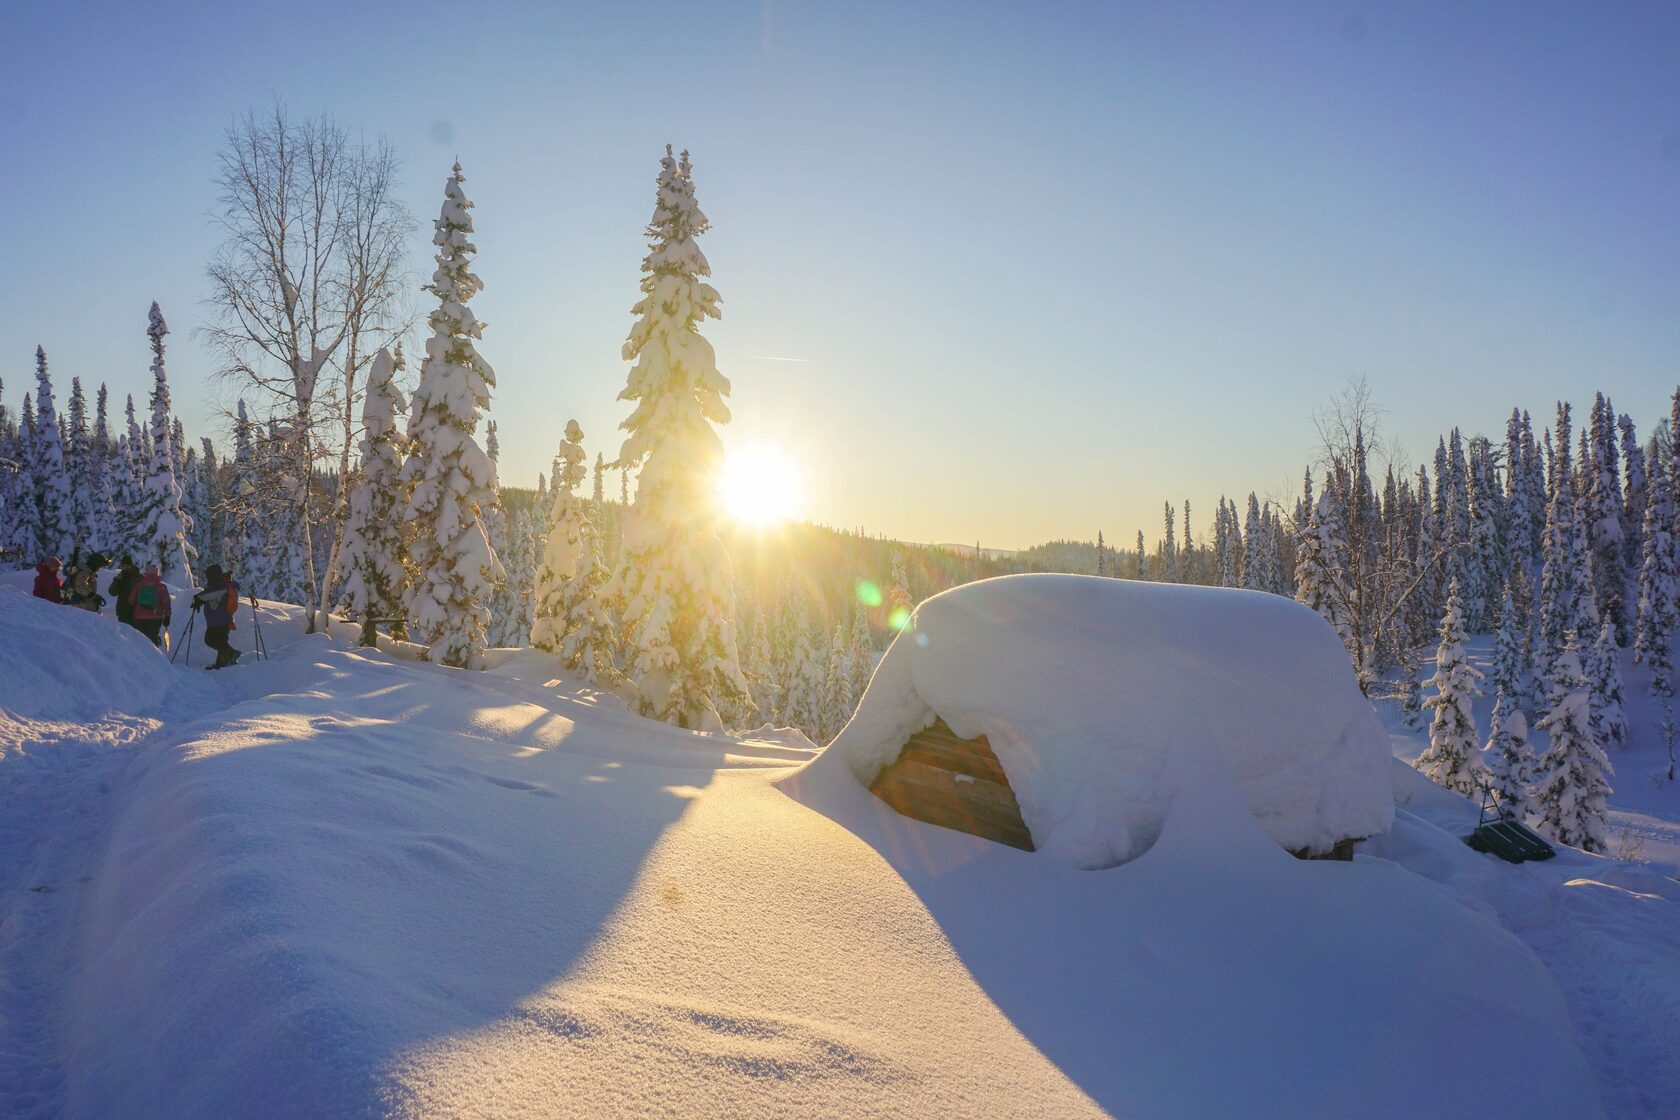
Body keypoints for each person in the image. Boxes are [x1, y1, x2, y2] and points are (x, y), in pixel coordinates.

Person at [193, 564, 242, 669]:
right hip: (216, 620)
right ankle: (223, 662)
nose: (207, 577)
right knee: (216, 641)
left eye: (209, 575)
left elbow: (209, 595)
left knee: (214, 640)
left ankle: (230, 656)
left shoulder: (221, 587)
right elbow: (209, 594)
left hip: (221, 620)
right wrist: (199, 599)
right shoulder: (217, 586)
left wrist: (199, 598)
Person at [130, 563, 172, 648]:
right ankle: (155, 657)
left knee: (141, 638)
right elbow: (166, 603)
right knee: (152, 637)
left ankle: (141, 658)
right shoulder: (161, 587)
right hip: (156, 616)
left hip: (139, 617)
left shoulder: (139, 585)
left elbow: (131, 600)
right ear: (156, 573)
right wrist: (167, 616)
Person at [109, 556, 140, 628]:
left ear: (130, 566)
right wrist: (117, 580)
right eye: (122, 566)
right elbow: (112, 592)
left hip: (134, 611)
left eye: (125, 566)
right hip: (122, 611)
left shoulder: (137, 577)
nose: (123, 568)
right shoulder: (120, 577)